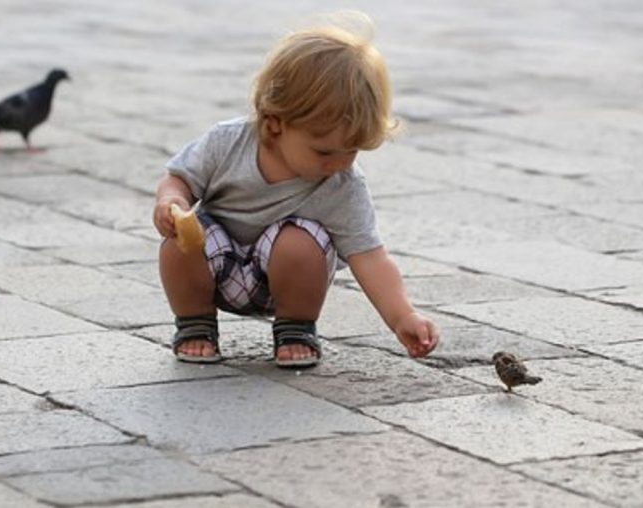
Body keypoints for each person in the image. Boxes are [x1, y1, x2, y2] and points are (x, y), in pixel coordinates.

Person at [152, 12, 439, 368]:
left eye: (352, 151)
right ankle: (195, 324)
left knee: (301, 242)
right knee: (179, 241)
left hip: (287, 285)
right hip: (213, 269)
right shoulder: (227, 143)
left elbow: (372, 258)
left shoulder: (342, 186)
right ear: (275, 124)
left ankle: (295, 328)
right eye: (324, 151)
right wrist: (171, 201)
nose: (339, 163)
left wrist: (402, 316)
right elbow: (178, 178)